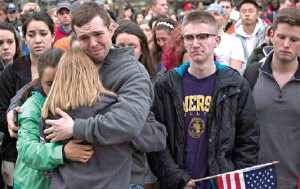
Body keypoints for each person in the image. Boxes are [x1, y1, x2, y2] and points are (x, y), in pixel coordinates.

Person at [147, 11, 259, 189]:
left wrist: (230, 179)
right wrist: (176, 177)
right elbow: (155, 140)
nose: (195, 43)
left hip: (219, 183)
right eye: (189, 37)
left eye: (203, 36)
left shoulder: (236, 85)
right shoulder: (165, 86)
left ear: (217, 40)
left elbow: (247, 142)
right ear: (183, 41)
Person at [40, 48, 166, 189]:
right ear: (93, 72)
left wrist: (64, 150)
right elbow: (157, 139)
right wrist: (142, 112)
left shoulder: (49, 112)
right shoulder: (111, 106)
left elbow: (42, 151)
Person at [14, 48, 93, 189]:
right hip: (31, 185)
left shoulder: (74, 102)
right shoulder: (32, 107)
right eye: (50, 84)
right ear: (39, 80)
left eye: (61, 81)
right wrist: (63, 152)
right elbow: (27, 151)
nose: (56, 88)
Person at [243, 8, 300, 189]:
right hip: (255, 180)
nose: (286, 44)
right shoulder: (252, 74)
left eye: (294, 39)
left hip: (295, 182)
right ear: (272, 35)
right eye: (281, 37)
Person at [0, 12, 55, 188]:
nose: (38, 40)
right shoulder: (11, 72)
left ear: (53, 36)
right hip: (17, 153)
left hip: (56, 156)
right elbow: (1, 111)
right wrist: (16, 122)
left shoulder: (66, 65)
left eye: (43, 34)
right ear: (24, 39)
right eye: (31, 35)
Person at [112, 22, 157, 188]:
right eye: (120, 46)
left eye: (132, 46)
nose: (126, 51)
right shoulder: (103, 80)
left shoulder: (156, 83)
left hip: (145, 164)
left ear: (142, 49)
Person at [207, 4, 245, 70]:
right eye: (209, 14)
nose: (212, 16)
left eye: (216, 14)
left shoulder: (234, 42)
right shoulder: (198, 40)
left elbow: (235, 72)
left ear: (224, 19)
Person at [232, 0, 267, 68]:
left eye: (251, 11)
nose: (247, 14)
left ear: (258, 14)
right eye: (244, 11)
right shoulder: (233, 38)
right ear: (239, 15)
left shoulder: (266, 36)